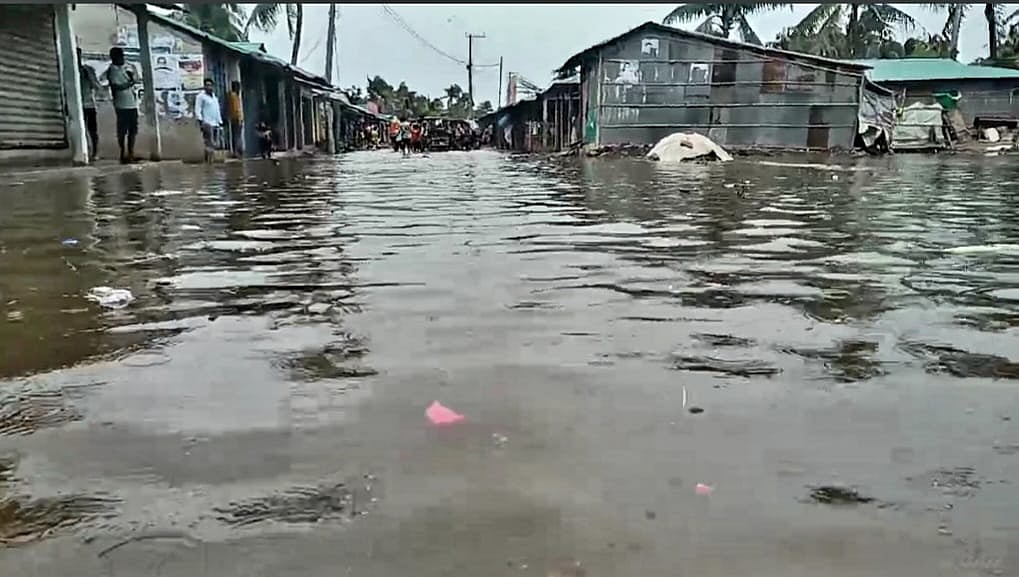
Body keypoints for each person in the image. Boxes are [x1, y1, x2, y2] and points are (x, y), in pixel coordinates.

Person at [101, 46, 138, 164]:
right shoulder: (112, 70)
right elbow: (116, 86)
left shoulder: (129, 67)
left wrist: (132, 79)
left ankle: (131, 152)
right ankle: (123, 152)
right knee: (122, 130)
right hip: (121, 105)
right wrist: (130, 82)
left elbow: (136, 79)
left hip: (132, 104)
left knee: (133, 130)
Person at [77, 47, 100, 161]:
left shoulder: (87, 70)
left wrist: (89, 76)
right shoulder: (69, 70)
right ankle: (86, 150)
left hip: (89, 104)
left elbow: (96, 86)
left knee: (92, 130)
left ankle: (95, 152)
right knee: (81, 131)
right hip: (77, 106)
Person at [195, 78, 223, 163]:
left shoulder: (214, 97)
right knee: (209, 142)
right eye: (207, 85)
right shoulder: (201, 97)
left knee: (214, 143)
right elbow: (198, 109)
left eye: (210, 85)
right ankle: (208, 162)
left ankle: (209, 160)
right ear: (204, 86)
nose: (209, 87)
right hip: (207, 122)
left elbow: (217, 110)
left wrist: (220, 122)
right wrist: (200, 120)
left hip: (215, 123)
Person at [226, 80, 244, 158]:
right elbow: (236, 109)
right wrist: (240, 118)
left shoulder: (232, 96)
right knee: (237, 135)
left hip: (234, 118)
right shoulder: (234, 96)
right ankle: (237, 151)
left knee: (236, 135)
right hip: (236, 118)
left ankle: (237, 151)